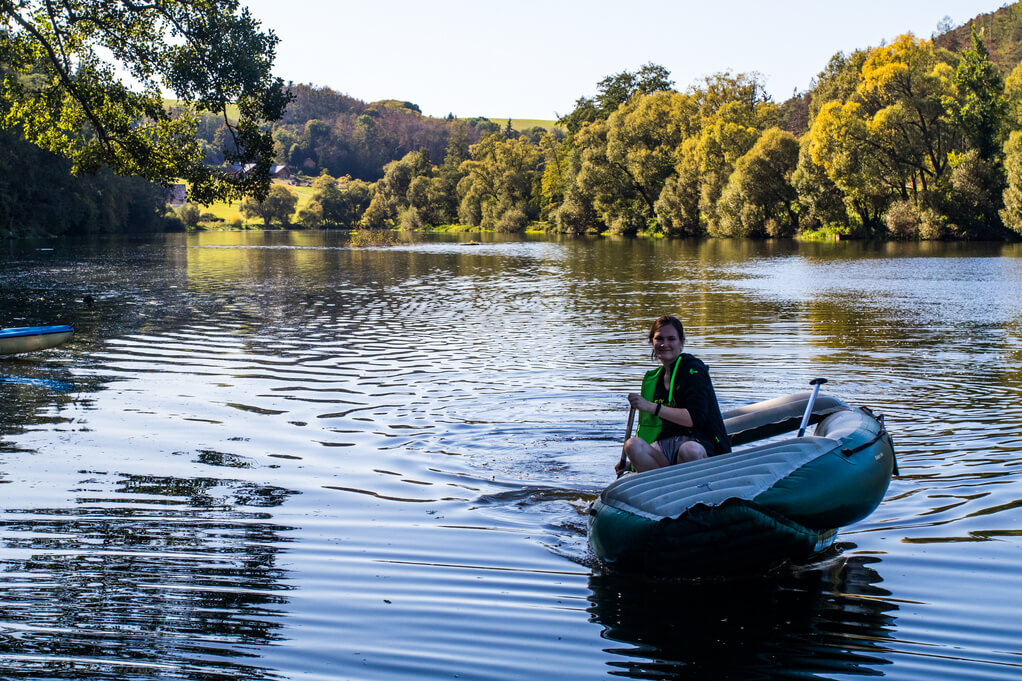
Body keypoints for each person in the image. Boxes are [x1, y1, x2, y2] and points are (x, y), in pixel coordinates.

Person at [615, 315, 731, 475]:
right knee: (632, 445)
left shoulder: (693, 370)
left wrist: (650, 407)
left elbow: (694, 419)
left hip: (698, 445)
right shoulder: (654, 378)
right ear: (651, 341)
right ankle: (660, 490)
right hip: (666, 446)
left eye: (671, 339)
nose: (664, 344)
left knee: (689, 450)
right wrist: (632, 465)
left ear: (682, 342)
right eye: (659, 339)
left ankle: (697, 489)